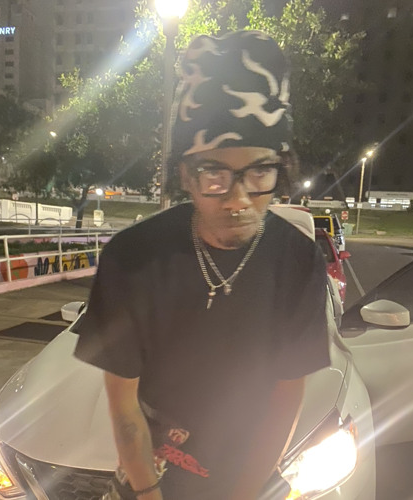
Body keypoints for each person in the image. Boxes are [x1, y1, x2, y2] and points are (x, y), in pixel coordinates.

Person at [75, 30, 330, 500]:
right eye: (215, 174)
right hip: (150, 471)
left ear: (280, 168)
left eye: (259, 172)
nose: (238, 199)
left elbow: (286, 399)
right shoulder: (133, 258)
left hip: (249, 475)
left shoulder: (299, 261)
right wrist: (148, 494)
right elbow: (124, 406)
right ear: (185, 175)